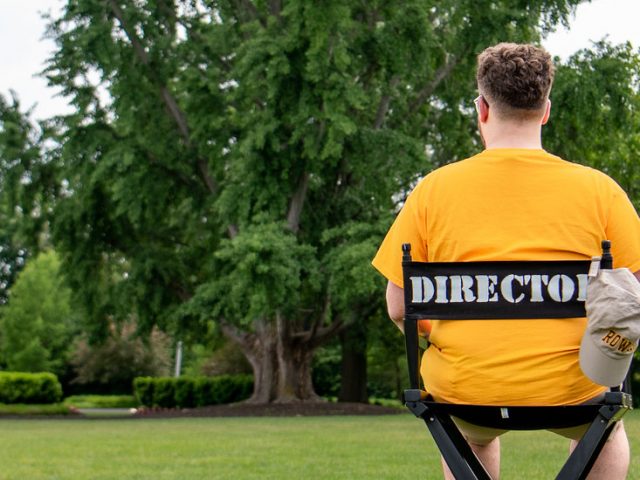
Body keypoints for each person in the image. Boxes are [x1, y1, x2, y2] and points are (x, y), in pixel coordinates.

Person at [371, 42, 640, 480]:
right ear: (546, 109)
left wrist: (454, 338)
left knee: (472, 434)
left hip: (464, 389)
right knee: (607, 430)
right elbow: (632, 299)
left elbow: (399, 306)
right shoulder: (599, 191)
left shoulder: (433, 191)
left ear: (481, 109)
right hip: (574, 391)